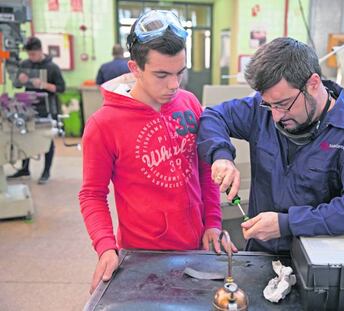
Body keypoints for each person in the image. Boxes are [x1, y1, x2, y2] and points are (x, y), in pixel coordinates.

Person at [79, 10, 231, 294]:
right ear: (135, 68)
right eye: (162, 74)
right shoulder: (103, 124)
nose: (174, 85)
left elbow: (204, 170)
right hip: (141, 256)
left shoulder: (189, 103)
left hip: (196, 246)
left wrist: (212, 222)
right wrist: (105, 248)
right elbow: (91, 194)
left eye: (179, 73)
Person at [197, 37, 344, 254]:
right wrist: (221, 156)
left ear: (313, 84)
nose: (275, 116)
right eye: (270, 105)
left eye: (283, 105)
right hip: (260, 254)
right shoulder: (261, 109)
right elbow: (213, 116)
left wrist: (287, 223)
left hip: (314, 262)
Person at [8, 36, 65, 184]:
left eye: (33, 54)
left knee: (46, 139)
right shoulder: (25, 64)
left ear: (40, 51)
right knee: (25, 137)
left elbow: (61, 88)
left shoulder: (52, 67)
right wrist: (19, 80)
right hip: (29, 108)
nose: (31, 57)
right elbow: (16, 84)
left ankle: (46, 171)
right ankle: (25, 168)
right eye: (29, 54)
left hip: (47, 108)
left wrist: (45, 85)